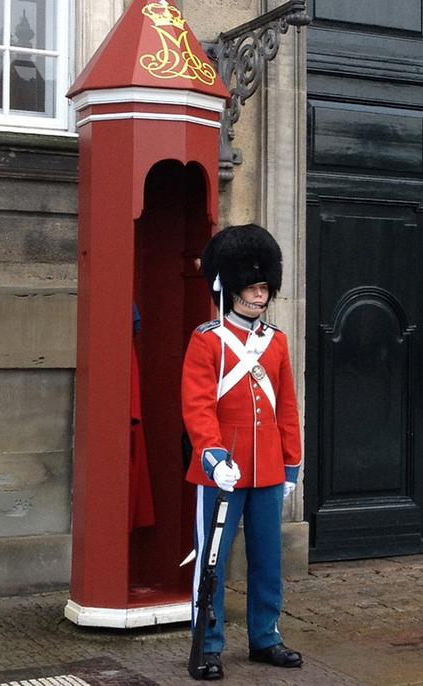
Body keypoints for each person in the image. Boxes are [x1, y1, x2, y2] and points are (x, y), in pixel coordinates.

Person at [182, 224, 303, 679]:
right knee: (211, 566)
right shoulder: (207, 340)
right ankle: (208, 643)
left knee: (268, 561)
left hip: (267, 469)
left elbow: (286, 407)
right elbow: (197, 406)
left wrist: (290, 463)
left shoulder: (276, 342)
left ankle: (265, 637)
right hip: (222, 471)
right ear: (229, 289)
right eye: (253, 287)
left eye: (264, 287)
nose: (260, 294)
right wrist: (212, 455)